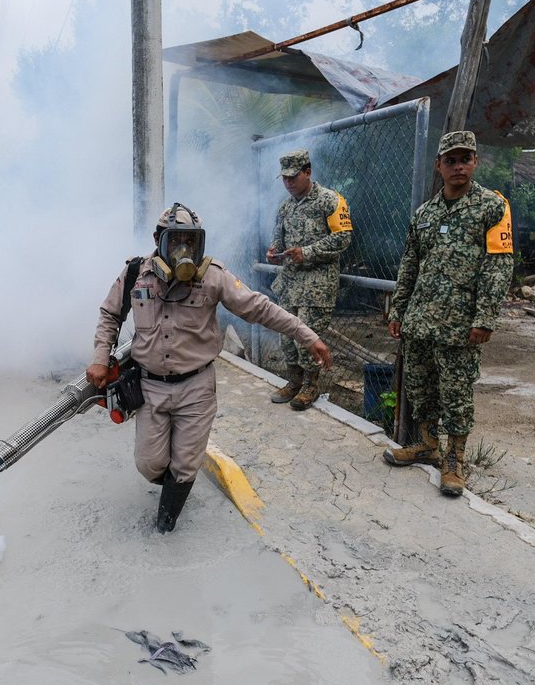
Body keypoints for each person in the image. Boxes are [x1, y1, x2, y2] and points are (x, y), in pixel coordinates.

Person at [88, 203, 333, 533]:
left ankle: (166, 524)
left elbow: (259, 308)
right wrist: (100, 357)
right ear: (158, 240)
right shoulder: (135, 273)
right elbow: (109, 314)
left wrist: (307, 335)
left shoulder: (213, 276)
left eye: (191, 241)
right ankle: (172, 482)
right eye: (176, 241)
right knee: (149, 464)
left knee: (185, 464)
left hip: (196, 387)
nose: (184, 250)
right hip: (151, 387)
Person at [382, 130, 513, 496]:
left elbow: (499, 265)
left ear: (475, 162)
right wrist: (398, 310)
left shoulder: (492, 207)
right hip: (420, 320)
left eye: (465, 159)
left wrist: (484, 317)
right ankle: (428, 445)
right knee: (420, 387)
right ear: (438, 165)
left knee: (456, 394)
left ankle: (454, 461)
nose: (458, 166)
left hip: (460, 324)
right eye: (450, 161)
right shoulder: (425, 213)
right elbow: (410, 264)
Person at [265, 148, 353, 411]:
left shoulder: (330, 200)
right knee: (286, 337)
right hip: (289, 284)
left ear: (308, 172)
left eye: (293, 177)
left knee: (307, 340)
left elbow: (343, 237)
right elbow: (278, 240)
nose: (289, 182)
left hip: (317, 286)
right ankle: (294, 382)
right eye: (285, 178)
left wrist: (308, 252)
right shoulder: (285, 208)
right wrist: (274, 252)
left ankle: (310, 386)